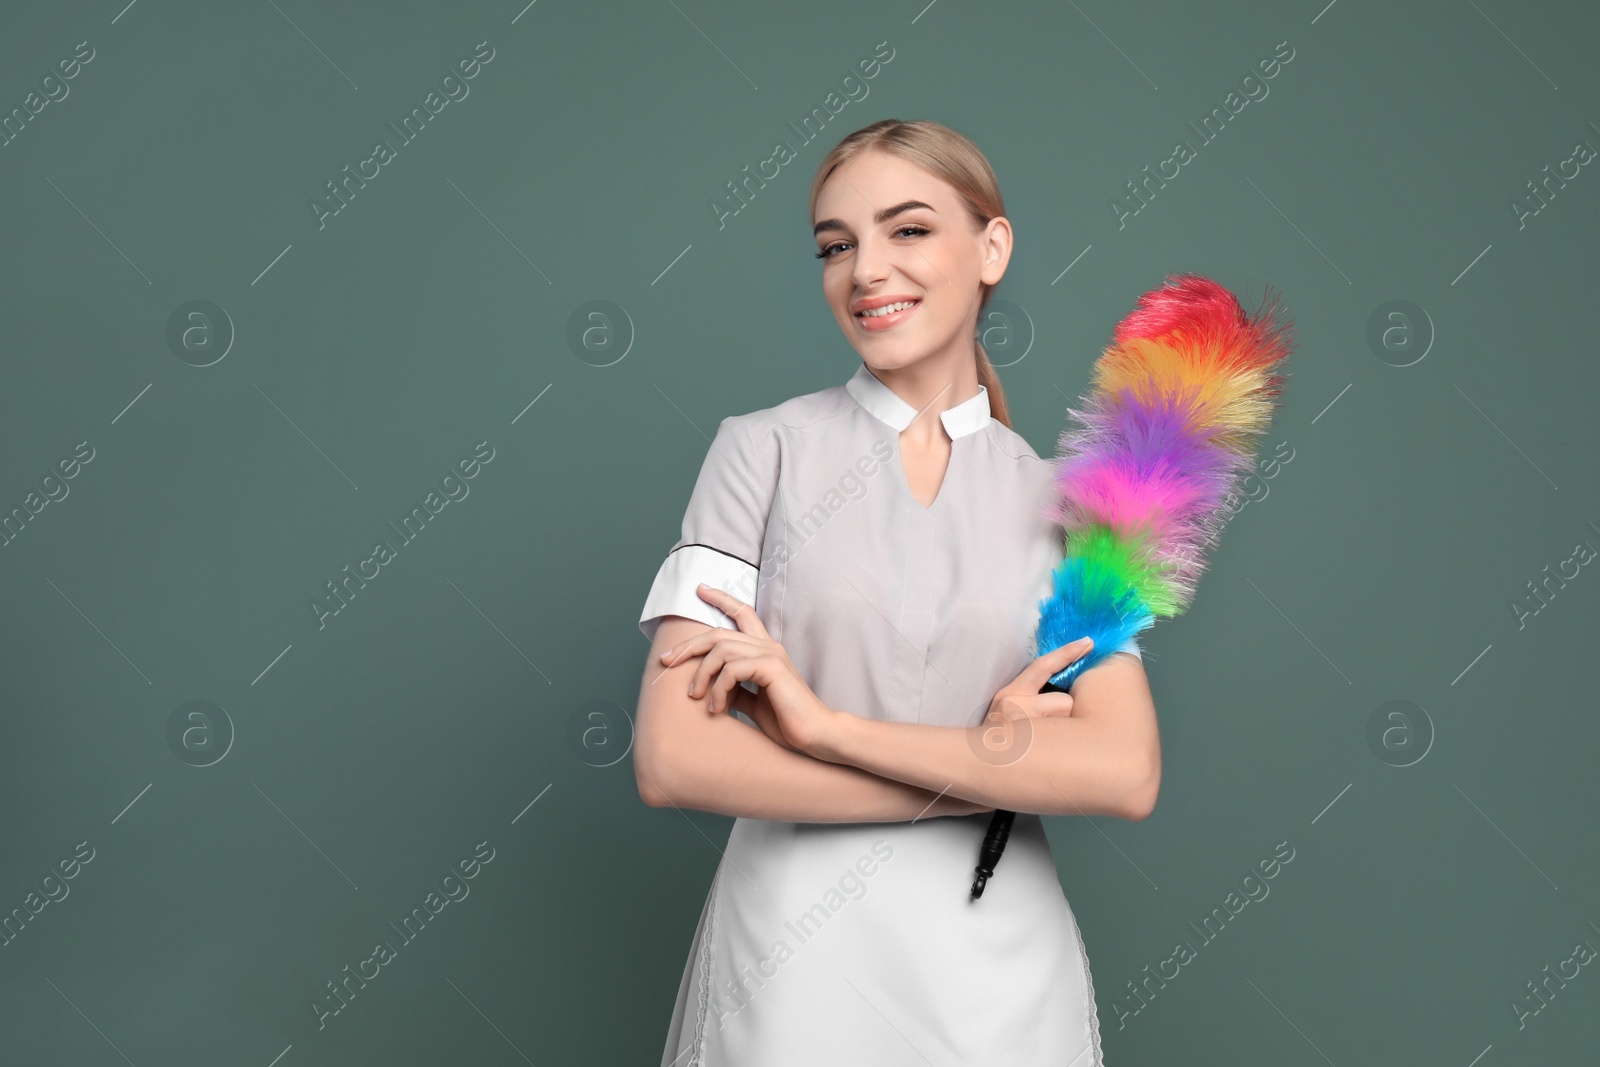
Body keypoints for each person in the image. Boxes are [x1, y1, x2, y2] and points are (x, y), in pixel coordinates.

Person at [633, 118, 1162, 1066]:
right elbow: (673, 756)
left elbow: (1123, 772)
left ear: (991, 247)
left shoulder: (1072, 506)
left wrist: (828, 727)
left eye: (908, 229)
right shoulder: (760, 451)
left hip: (997, 969)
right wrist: (986, 767)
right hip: (795, 961)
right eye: (837, 246)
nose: (865, 269)